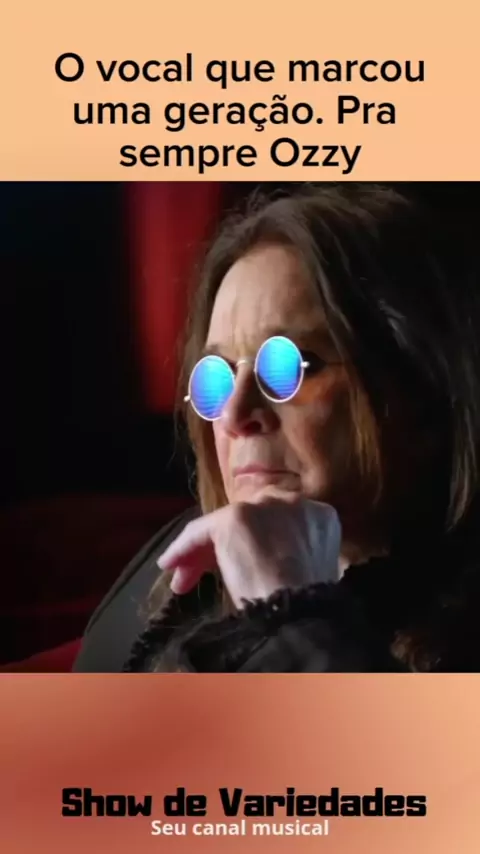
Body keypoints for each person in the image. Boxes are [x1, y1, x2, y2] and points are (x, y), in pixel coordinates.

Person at [74, 183, 480, 673]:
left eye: (291, 367)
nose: (234, 415)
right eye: (217, 377)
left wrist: (290, 608)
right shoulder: (172, 569)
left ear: (421, 393)